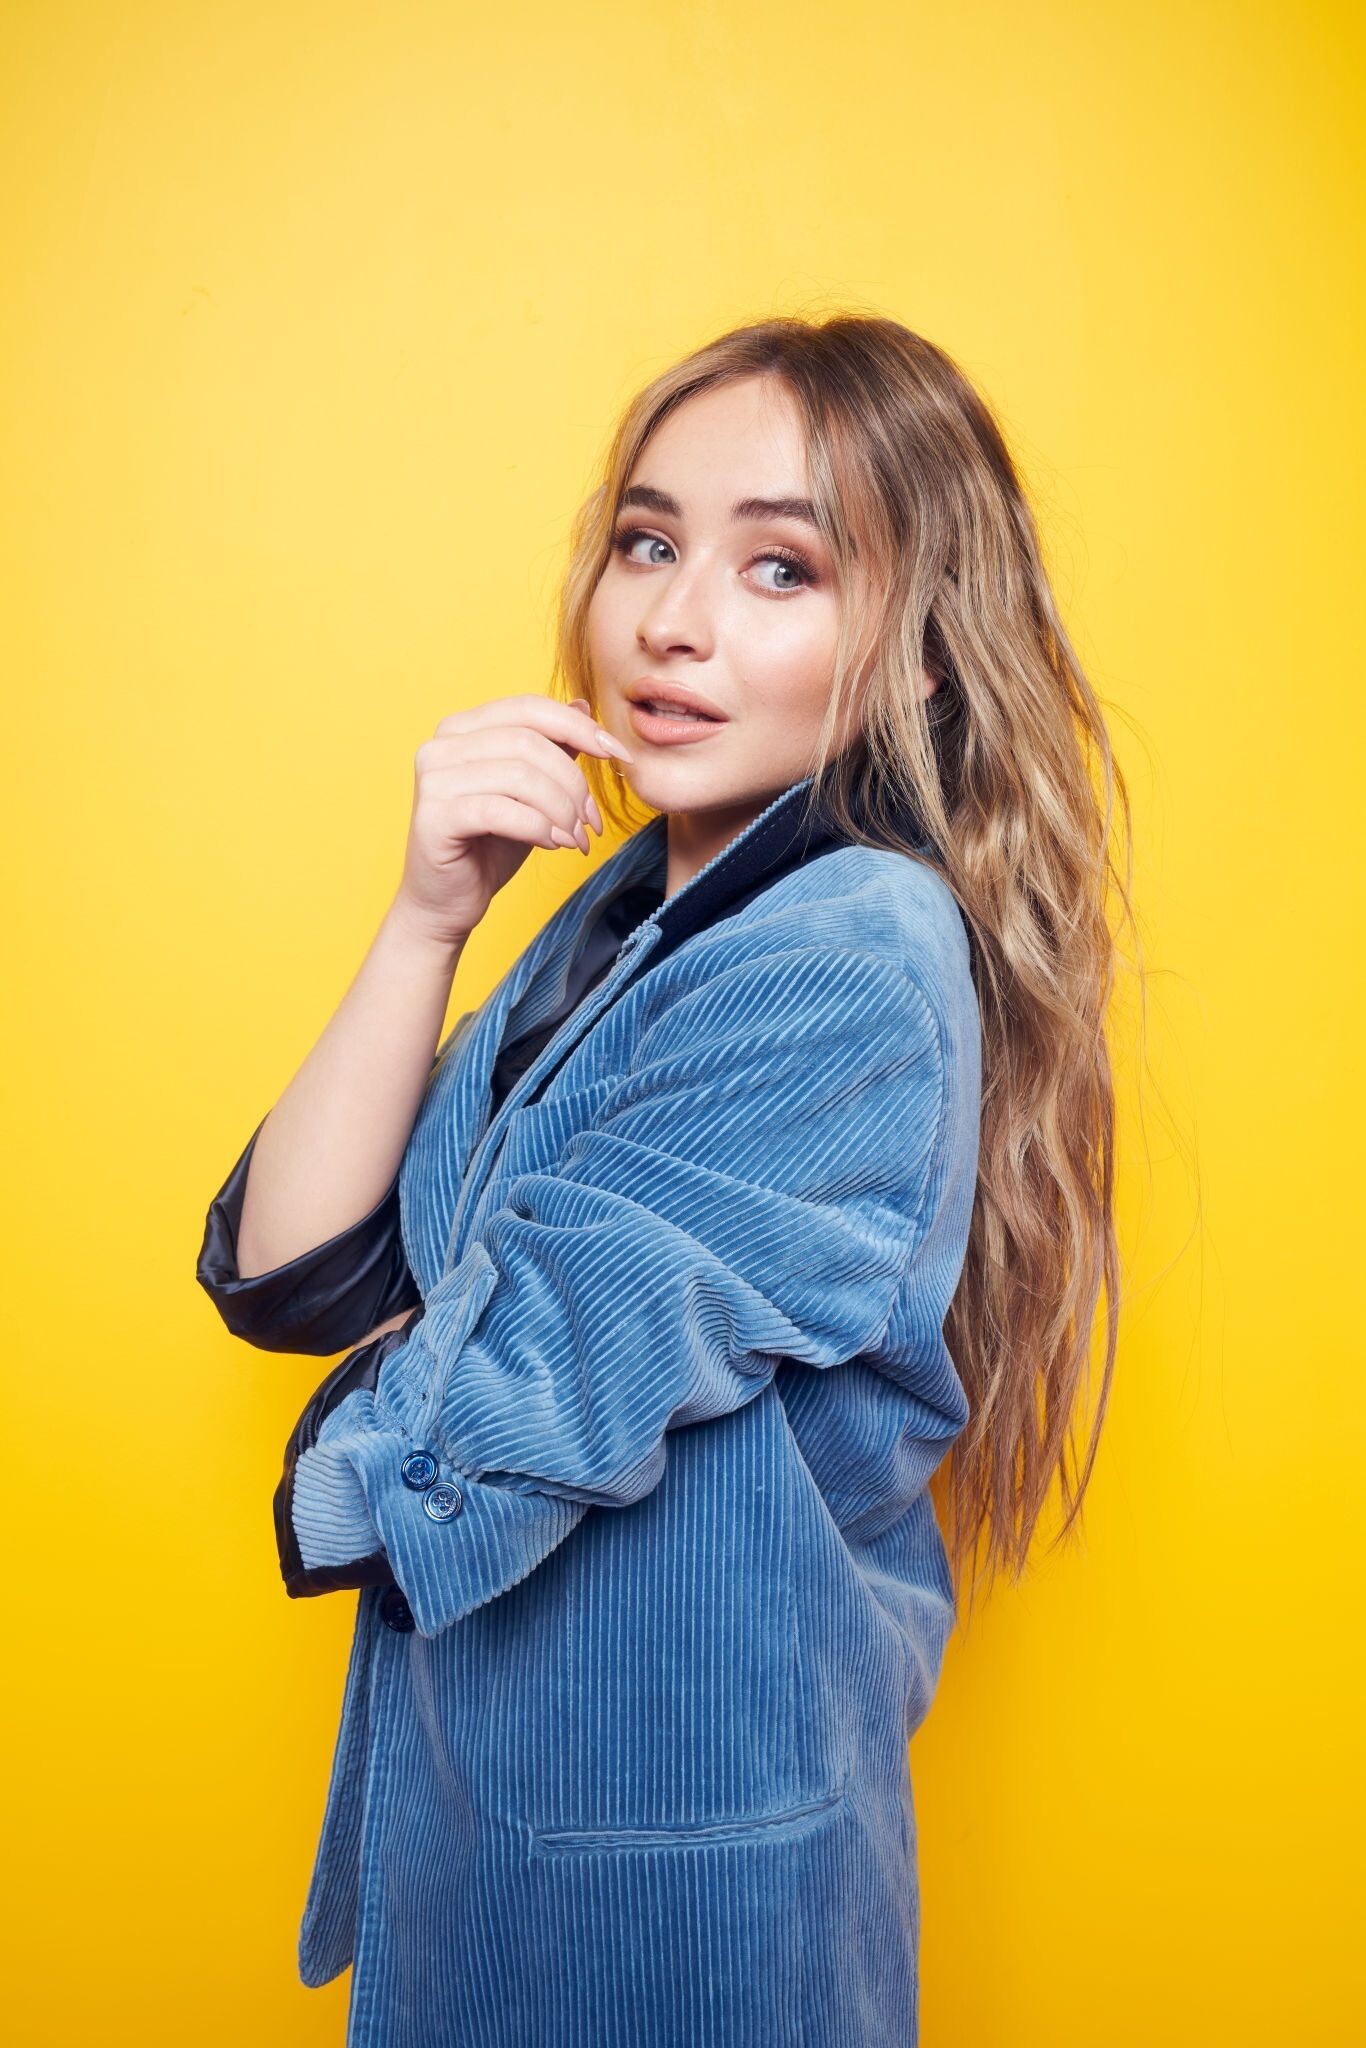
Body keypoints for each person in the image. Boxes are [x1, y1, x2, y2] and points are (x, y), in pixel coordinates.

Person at [197, 315, 1136, 2046]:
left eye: (781, 567)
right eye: (648, 542)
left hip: (681, 1913)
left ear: (925, 656)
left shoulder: (845, 952)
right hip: (497, 1839)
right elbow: (300, 1272)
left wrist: (410, 1385)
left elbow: (491, 1406)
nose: (672, 622)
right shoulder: (626, 922)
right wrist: (427, 917)